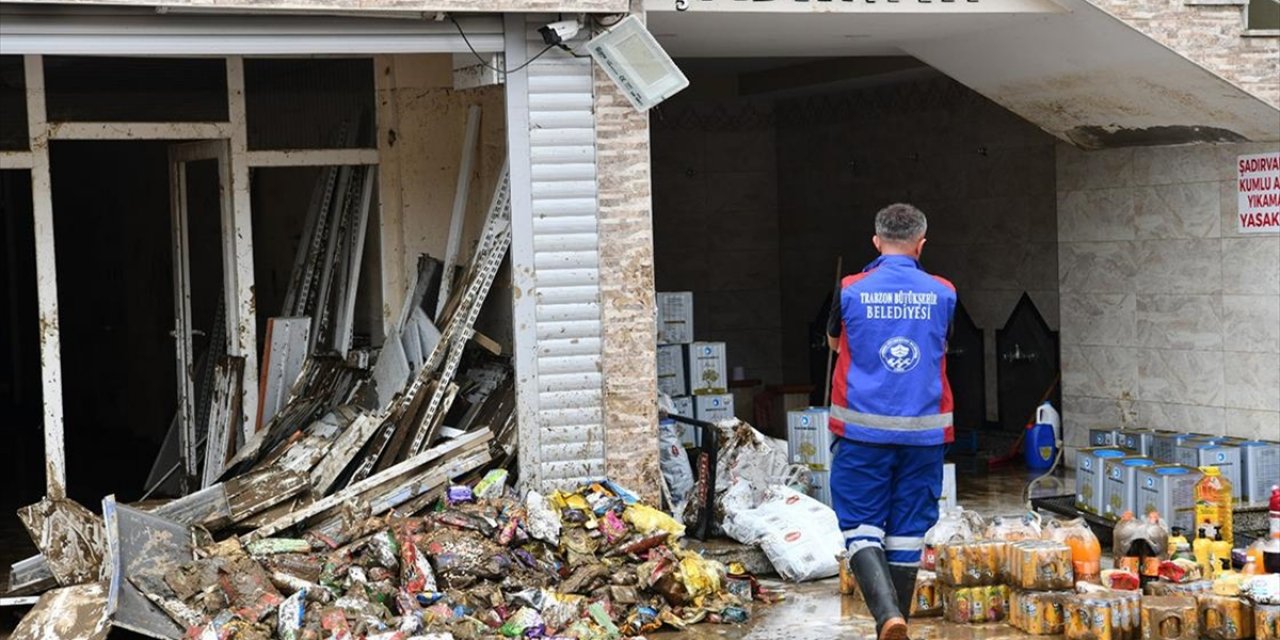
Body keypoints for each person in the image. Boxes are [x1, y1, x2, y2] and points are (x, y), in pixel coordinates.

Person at [827, 203, 955, 640]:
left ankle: (888, 619)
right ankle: (897, 621)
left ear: (876, 242)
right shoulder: (943, 292)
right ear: (921, 245)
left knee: (860, 525)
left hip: (863, 432)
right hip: (924, 433)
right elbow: (942, 340)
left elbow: (833, 342)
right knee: (908, 529)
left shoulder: (850, 289)